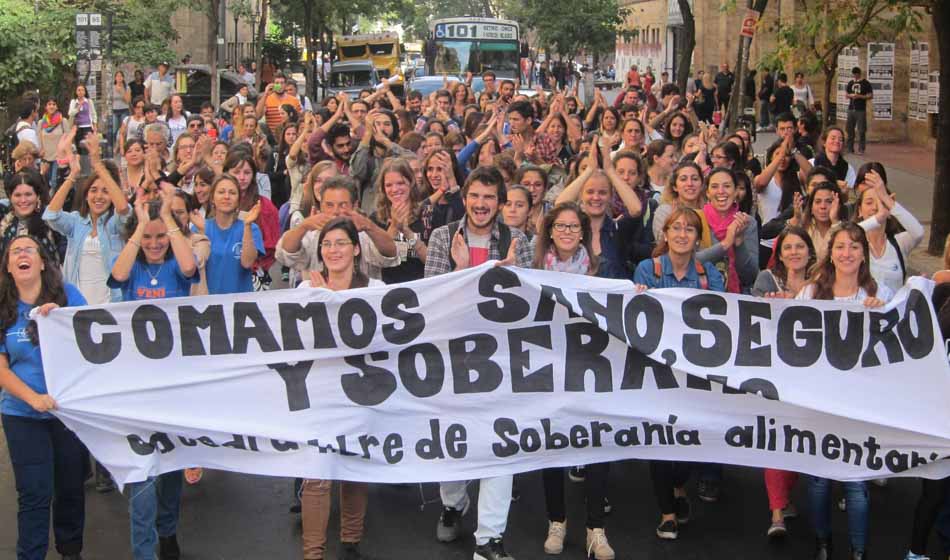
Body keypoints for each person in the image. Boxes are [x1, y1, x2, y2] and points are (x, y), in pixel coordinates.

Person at [424, 166, 532, 560]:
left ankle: (490, 538)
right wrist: (461, 270)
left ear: (500, 204)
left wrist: (512, 277)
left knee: (501, 443)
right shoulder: (441, 237)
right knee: (450, 439)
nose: (481, 204)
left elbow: (528, 306)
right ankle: (453, 504)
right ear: (465, 198)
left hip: (502, 358)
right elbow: (431, 303)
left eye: (490, 197)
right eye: (475, 196)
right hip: (451, 355)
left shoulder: (517, 240)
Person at [108, 189, 197, 560]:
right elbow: (118, 273)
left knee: (171, 466)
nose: (155, 243)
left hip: (173, 382)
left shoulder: (175, 264)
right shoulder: (134, 267)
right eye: (149, 238)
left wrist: (168, 220)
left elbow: (190, 268)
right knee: (143, 472)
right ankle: (144, 551)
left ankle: (168, 529)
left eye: (161, 238)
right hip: (137, 383)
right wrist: (142, 223)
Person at [797, 223, 892, 560]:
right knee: (820, 482)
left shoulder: (878, 295)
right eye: (840, 247)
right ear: (831, 253)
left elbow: (892, 354)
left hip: (858, 406)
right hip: (818, 404)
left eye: (854, 246)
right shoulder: (809, 294)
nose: (847, 253)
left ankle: (858, 550)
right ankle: (823, 543)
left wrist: (881, 313)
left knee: (856, 483)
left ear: (863, 253)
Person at [532, 201, 619, 560]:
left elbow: (622, 306)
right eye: (560, 226)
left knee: (597, 448)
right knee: (553, 447)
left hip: (591, 369)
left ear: (583, 232)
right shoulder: (532, 271)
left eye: (573, 227)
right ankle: (557, 521)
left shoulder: (602, 269)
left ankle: (596, 530)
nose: (567, 232)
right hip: (549, 372)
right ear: (550, 232)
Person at [633, 208, 725, 541]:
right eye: (676, 228)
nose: (682, 234)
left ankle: (677, 484)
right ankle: (667, 513)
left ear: (698, 238)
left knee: (691, 439)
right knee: (660, 441)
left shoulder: (709, 275)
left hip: (695, 373)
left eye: (689, 229)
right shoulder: (648, 270)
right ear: (666, 234)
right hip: (657, 372)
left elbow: (724, 316)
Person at [0, 234, 89, 560]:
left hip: (68, 413)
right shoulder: (2, 305)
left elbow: (96, 342)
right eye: (14, 252)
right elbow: (2, 368)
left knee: (70, 488)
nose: (22, 254)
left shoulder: (68, 295)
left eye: (28, 249)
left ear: (41, 261)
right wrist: (33, 398)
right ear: (8, 266)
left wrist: (64, 322)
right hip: (21, 414)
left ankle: (70, 551)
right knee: (34, 492)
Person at [298, 217, 381, 560]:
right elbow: (299, 343)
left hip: (359, 395)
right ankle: (312, 552)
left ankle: (350, 541)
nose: (333, 250)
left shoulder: (375, 288)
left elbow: (375, 340)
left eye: (341, 243)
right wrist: (320, 297)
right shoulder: (306, 290)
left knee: (352, 470)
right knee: (316, 475)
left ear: (357, 248)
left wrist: (332, 299)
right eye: (327, 244)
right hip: (318, 393)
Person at [276, 175, 398, 282]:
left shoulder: (366, 235)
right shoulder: (311, 235)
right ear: (321, 205)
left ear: (355, 205)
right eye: (329, 205)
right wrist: (303, 226)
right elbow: (286, 254)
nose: (335, 211)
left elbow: (391, 254)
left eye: (342, 205)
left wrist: (370, 227)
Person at [852, 167, 924, 294]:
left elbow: (918, 232)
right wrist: (878, 218)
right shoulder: (853, 243)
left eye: (881, 203)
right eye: (869, 203)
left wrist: (888, 200)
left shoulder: (899, 242)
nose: (875, 208)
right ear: (859, 211)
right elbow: (845, 235)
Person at [199, 174, 264, 294]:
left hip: (240, 304)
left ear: (239, 200)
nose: (227, 197)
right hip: (208, 303)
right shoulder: (200, 227)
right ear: (212, 198)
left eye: (232, 193)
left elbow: (247, 263)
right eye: (221, 192)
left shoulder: (252, 228)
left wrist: (248, 226)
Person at [369, 158, 427, 284]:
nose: (394, 189)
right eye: (388, 185)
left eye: (400, 183)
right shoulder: (376, 219)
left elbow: (431, 260)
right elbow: (378, 259)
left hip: (422, 288)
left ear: (410, 183)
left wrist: (407, 232)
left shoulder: (426, 213)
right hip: (389, 289)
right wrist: (394, 227)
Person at [350, 109, 412, 213]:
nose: (382, 128)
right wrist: (367, 134)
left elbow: (413, 163)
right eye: (377, 124)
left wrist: (385, 141)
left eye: (387, 124)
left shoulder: (400, 152)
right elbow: (356, 171)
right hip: (372, 217)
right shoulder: (365, 154)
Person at [255, 72, 302, 138]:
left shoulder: (294, 100)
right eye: (277, 83)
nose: (279, 85)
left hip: (290, 136)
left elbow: (300, 119)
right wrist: (265, 94)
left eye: (282, 83)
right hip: (273, 137)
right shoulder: (267, 99)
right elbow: (257, 115)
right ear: (273, 84)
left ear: (285, 85)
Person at [846, 67, 873, 154]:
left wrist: (860, 96)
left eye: (856, 74)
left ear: (859, 74)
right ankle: (850, 148)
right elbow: (846, 94)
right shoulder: (851, 83)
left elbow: (870, 95)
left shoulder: (865, 83)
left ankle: (861, 148)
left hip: (860, 109)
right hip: (851, 109)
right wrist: (851, 96)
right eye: (853, 75)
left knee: (861, 130)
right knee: (850, 129)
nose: (855, 76)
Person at [68, 85, 97, 153]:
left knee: (87, 147)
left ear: (85, 92)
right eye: (79, 90)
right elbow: (70, 113)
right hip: (77, 128)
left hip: (88, 127)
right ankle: (81, 162)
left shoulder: (89, 101)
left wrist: (95, 125)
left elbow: (93, 114)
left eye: (82, 90)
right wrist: (78, 107)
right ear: (76, 92)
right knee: (79, 147)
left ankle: (87, 162)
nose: (80, 92)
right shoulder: (74, 102)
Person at [112, 71, 132, 148]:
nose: (119, 78)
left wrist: (121, 91)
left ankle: (123, 145)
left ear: (123, 78)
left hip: (124, 110)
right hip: (114, 111)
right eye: (117, 76)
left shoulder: (127, 87)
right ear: (115, 78)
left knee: (123, 130)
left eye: (121, 76)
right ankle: (115, 145)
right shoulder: (112, 87)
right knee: (114, 129)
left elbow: (128, 100)